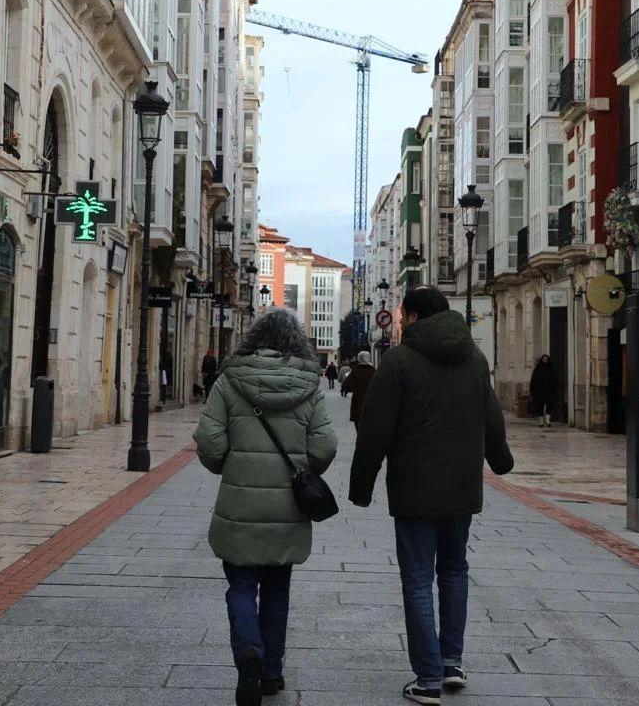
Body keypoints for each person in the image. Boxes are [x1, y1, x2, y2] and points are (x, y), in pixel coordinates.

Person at [348, 285, 514, 705]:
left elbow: (375, 428)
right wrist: (501, 461)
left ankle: (426, 678)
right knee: (454, 570)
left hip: (414, 488)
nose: (400, 320)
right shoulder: (474, 358)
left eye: (403, 314)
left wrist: (361, 486)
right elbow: (491, 417)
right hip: (461, 486)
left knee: (419, 578)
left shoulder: (400, 361)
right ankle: (451, 663)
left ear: (417, 316)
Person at [193, 310, 338, 706]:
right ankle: (271, 672)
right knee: (277, 588)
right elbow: (324, 446)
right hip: (288, 507)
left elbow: (209, 439)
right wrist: (304, 471)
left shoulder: (229, 380)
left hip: (239, 504)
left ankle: (248, 653)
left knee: (240, 584)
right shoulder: (308, 385)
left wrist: (227, 465)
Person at [341, 351, 376, 426]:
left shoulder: (356, 372)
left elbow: (346, 386)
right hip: (372, 405)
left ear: (359, 359)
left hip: (358, 405)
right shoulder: (374, 372)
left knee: (359, 428)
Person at [529, 354, 559, 426]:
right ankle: (541, 422)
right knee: (540, 406)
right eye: (544, 359)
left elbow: (555, 380)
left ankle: (548, 421)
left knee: (549, 405)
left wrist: (554, 389)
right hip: (539, 391)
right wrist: (532, 391)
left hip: (549, 391)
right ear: (542, 360)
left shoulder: (551, 369)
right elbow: (533, 381)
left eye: (546, 359)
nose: (545, 360)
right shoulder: (537, 369)